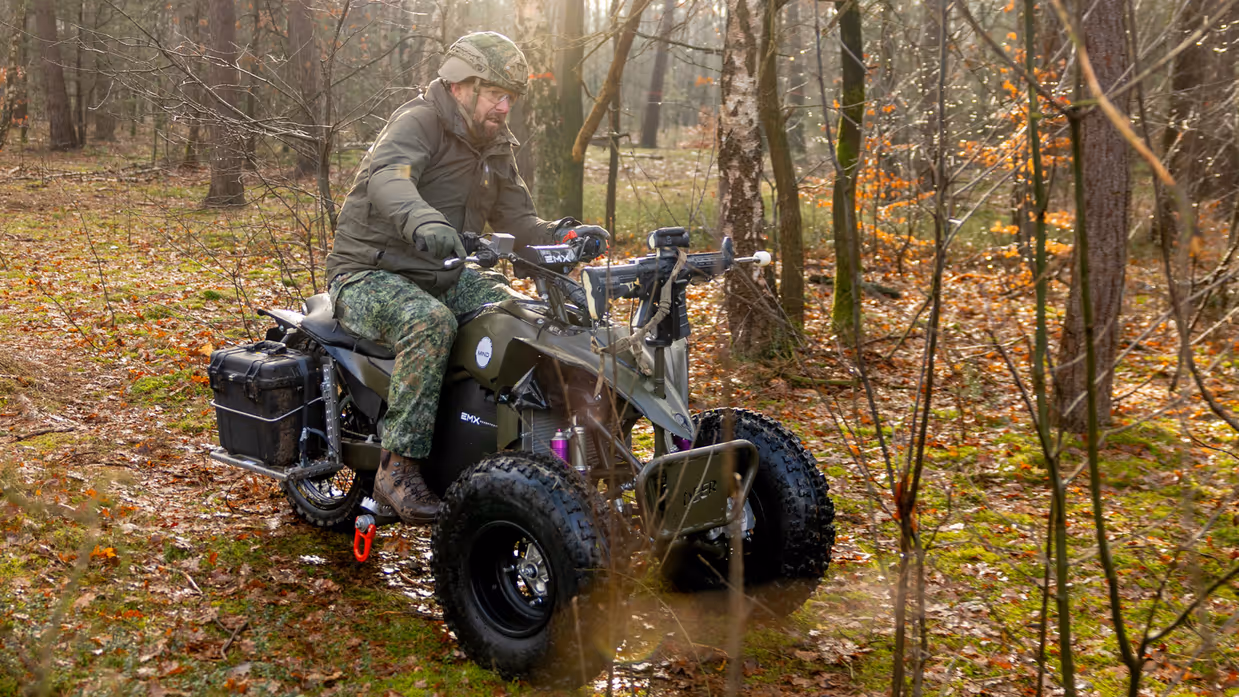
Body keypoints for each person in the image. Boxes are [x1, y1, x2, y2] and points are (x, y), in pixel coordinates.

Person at [324, 31, 605, 524]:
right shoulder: (420, 122)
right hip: (368, 273)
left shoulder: (495, 145)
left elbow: (518, 220)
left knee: (521, 317)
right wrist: (423, 222)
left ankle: (526, 451)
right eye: (495, 94)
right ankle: (398, 468)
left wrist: (562, 236)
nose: (504, 107)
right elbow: (389, 178)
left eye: (511, 97)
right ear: (460, 85)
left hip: (445, 273)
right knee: (428, 322)